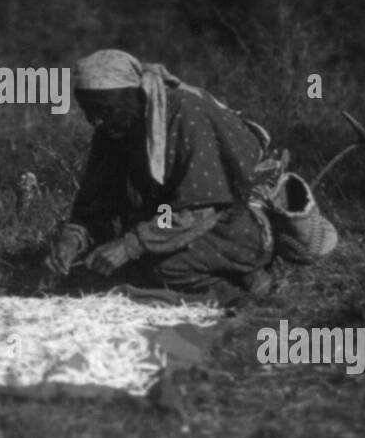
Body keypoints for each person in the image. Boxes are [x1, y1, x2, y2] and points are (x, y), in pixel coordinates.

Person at [45, 49, 279, 303]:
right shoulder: (111, 129)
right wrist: (71, 240)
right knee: (109, 266)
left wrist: (130, 245)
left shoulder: (185, 114)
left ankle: (237, 283)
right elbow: (94, 205)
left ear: (134, 96)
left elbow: (199, 209)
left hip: (229, 225)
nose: (96, 121)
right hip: (165, 220)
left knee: (161, 268)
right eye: (87, 111)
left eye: (104, 110)